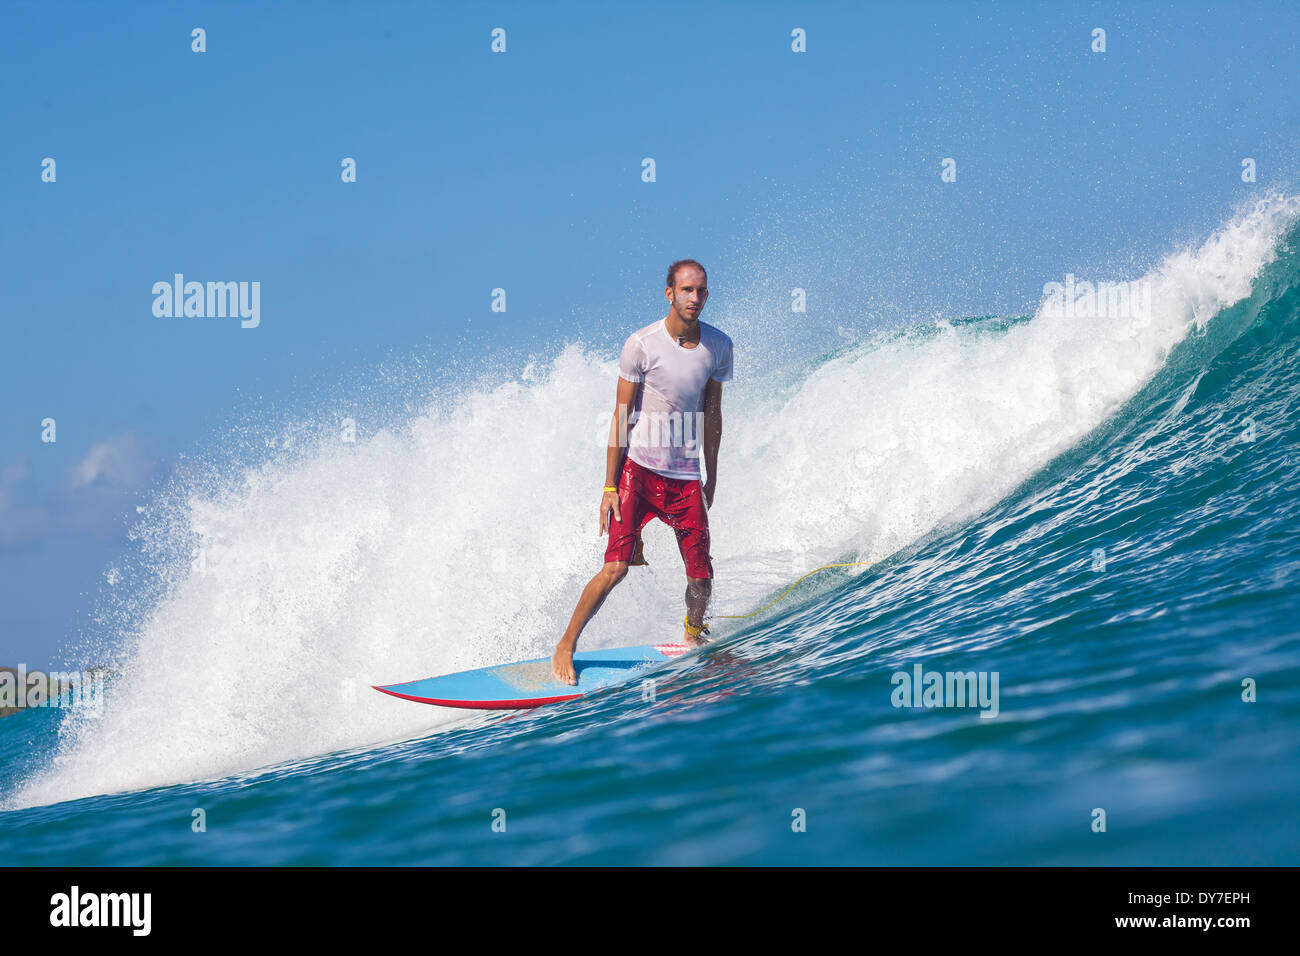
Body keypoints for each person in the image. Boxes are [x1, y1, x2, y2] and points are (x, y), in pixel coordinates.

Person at [551, 260, 733, 685]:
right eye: (687, 290)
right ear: (669, 293)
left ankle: (693, 634)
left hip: (685, 478)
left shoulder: (719, 346)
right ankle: (565, 645)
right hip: (639, 472)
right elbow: (620, 416)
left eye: (702, 291)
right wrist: (610, 484)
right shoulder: (642, 344)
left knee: (701, 578)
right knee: (615, 568)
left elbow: (713, 414)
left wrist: (712, 474)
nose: (695, 298)